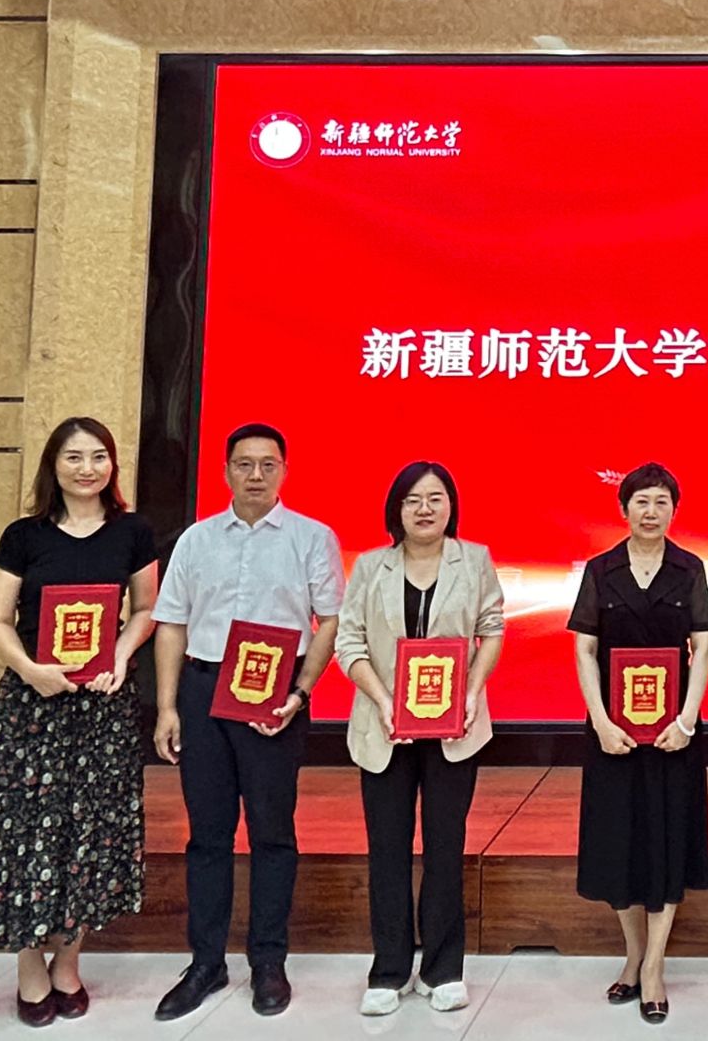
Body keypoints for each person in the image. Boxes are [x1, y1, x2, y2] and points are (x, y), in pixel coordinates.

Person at [0, 417, 158, 1027]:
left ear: (112, 466)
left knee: (91, 834)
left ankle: (68, 962)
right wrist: (30, 669)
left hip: (103, 707)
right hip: (33, 708)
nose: (86, 468)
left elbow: (145, 609)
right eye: (73, 457)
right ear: (54, 465)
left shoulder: (133, 532)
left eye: (98, 456)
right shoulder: (24, 535)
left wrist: (119, 658)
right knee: (24, 834)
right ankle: (28, 965)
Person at [150, 423, 344, 1022]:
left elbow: (331, 621)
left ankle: (268, 961)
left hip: (274, 697)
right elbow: (171, 623)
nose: (255, 475)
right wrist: (167, 706)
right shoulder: (196, 540)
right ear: (226, 471)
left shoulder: (312, 538)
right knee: (207, 834)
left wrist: (300, 691)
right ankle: (206, 962)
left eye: (267, 464)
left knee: (271, 832)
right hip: (204, 690)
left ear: (284, 470)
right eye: (244, 464)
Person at [336, 461, 506, 1016]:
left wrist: (473, 691)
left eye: (435, 498)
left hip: (455, 729)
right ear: (397, 509)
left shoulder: (474, 560)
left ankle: (442, 968)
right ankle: (388, 970)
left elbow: (491, 629)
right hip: (384, 729)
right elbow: (349, 643)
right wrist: (385, 702)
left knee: (444, 848)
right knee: (387, 850)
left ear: (451, 506)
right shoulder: (371, 566)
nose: (425, 509)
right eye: (413, 500)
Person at [570, 461, 708, 1026]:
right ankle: (633, 954)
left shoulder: (689, 569)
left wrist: (687, 720)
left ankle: (653, 966)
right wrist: (601, 722)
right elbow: (585, 650)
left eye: (661, 502)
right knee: (619, 844)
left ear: (674, 510)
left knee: (667, 843)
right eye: (641, 502)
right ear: (624, 508)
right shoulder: (601, 571)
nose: (651, 512)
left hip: (674, 735)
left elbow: (702, 648)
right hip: (616, 736)